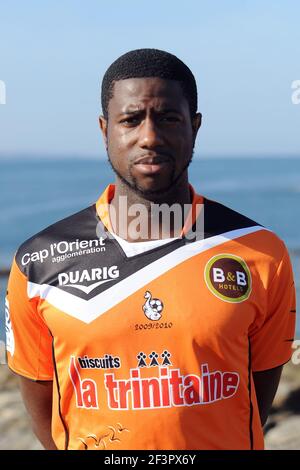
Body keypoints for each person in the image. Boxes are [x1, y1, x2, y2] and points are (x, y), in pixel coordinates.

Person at [5, 48, 296, 450]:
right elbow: (45, 409)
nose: (150, 137)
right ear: (104, 129)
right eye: (130, 119)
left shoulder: (261, 252)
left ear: (194, 127)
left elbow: (256, 395)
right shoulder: (38, 263)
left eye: (168, 118)